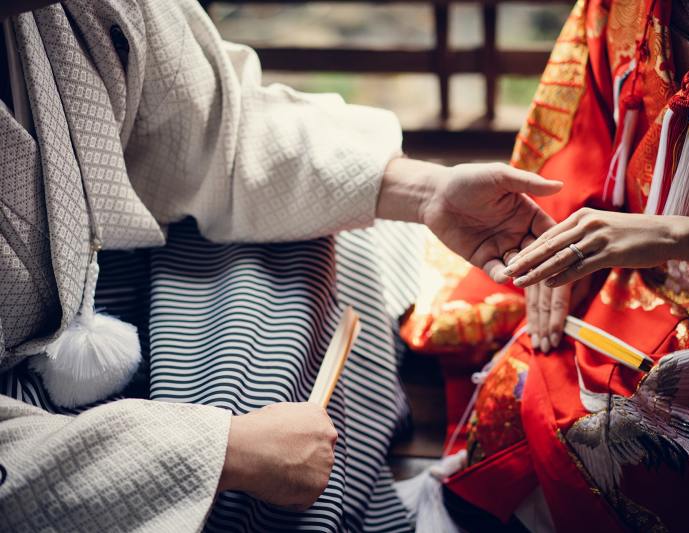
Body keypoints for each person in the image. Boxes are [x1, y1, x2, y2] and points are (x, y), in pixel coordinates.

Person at [0, 1, 564, 531]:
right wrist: (219, 451)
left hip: (83, 279)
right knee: (248, 491)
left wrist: (423, 192)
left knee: (326, 242)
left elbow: (219, 131)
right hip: (31, 440)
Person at [419, 0, 689, 531]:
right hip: (631, 257)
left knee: (643, 448)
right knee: (516, 383)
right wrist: (565, 226)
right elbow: (589, 133)